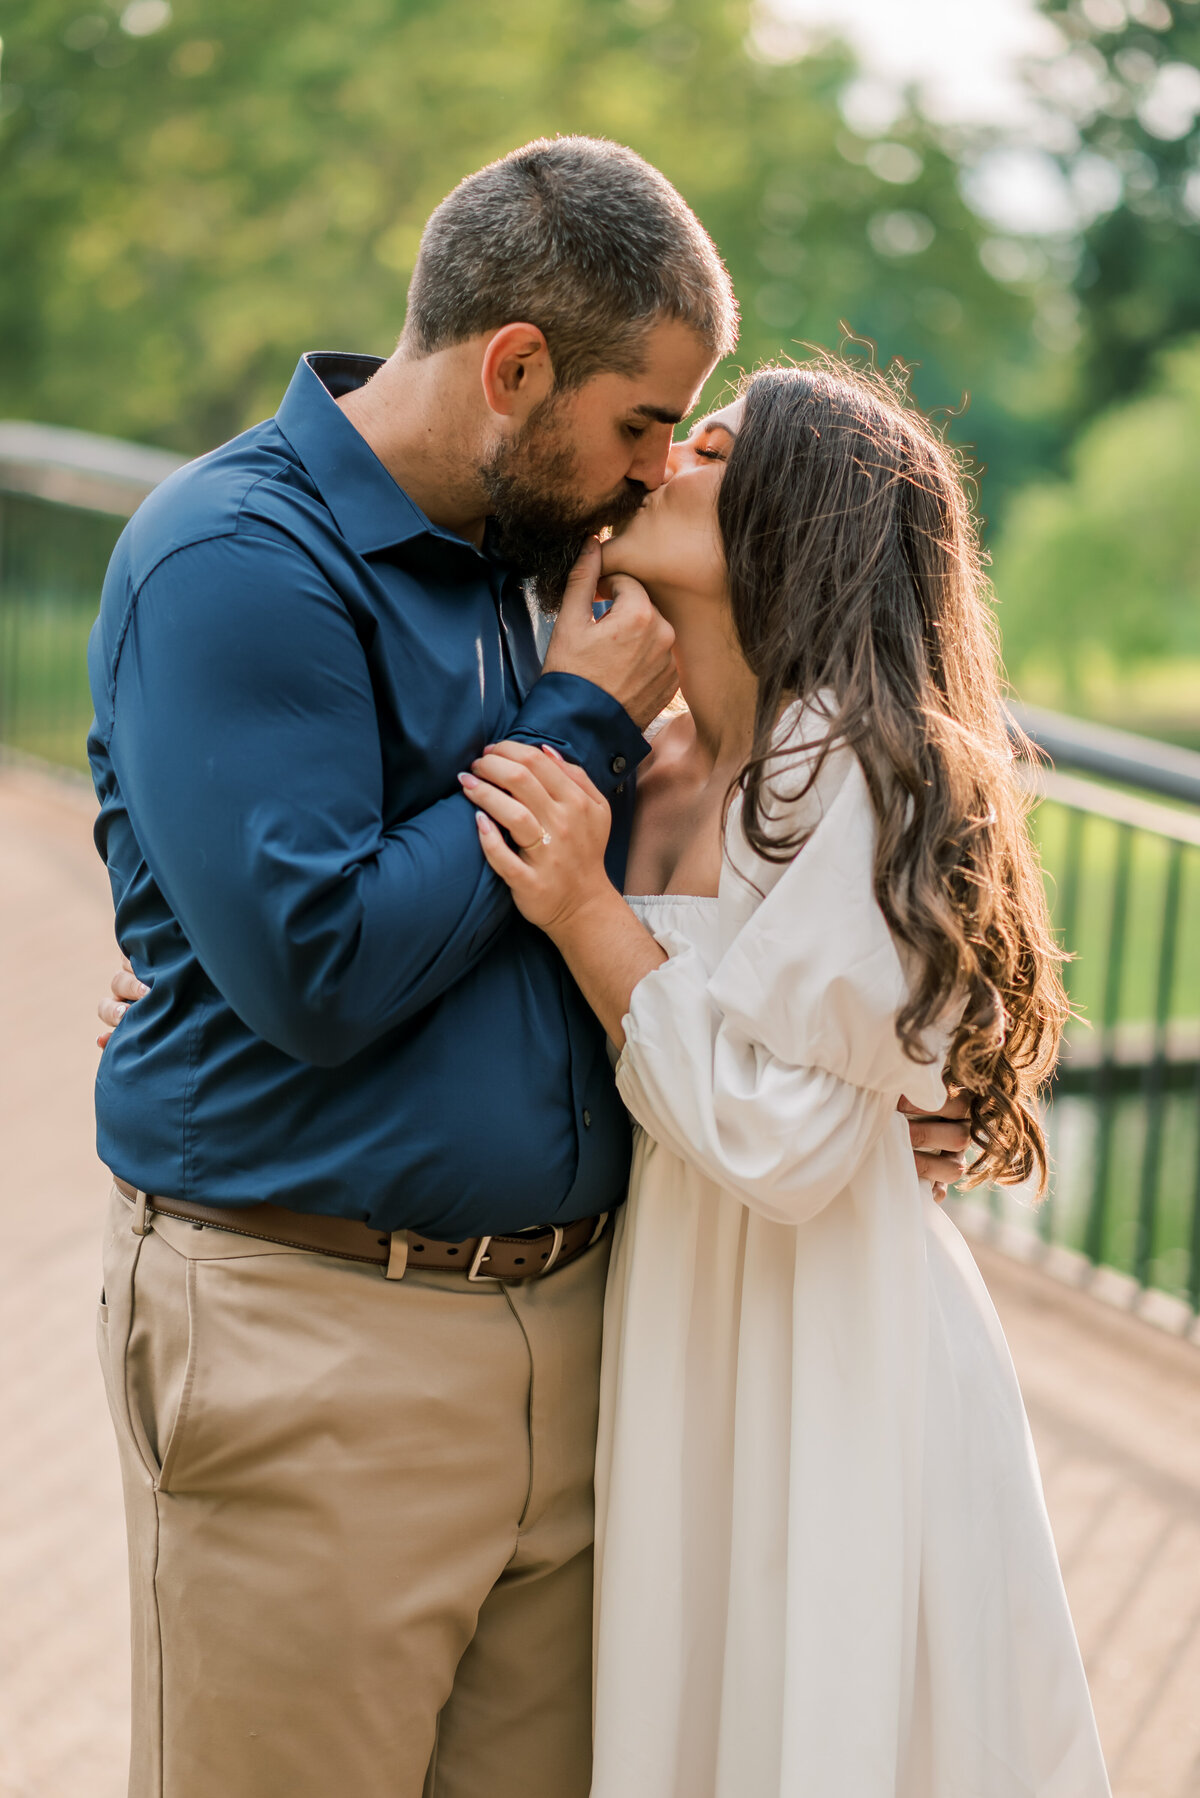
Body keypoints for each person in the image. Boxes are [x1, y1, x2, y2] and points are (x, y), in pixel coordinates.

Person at [88, 140, 969, 1798]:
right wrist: (571, 718)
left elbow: (826, 859)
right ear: (514, 372)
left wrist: (890, 1097)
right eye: (646, 423)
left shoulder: (556, 559)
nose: (655, 472)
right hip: (321, 1338)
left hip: (596, 1353)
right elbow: (317, 964)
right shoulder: (237, 562)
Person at [465, 362, 1112, 1796]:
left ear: (796, 513)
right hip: (692, 1320)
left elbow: (785, 1141)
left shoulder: (849, 763)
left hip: (832, 1347)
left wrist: (588, 910)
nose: (661, 466)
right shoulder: (653, 758)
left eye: (708, 445)